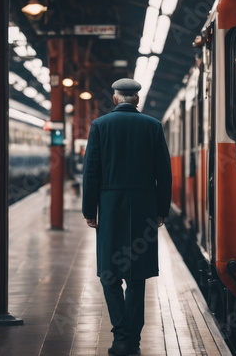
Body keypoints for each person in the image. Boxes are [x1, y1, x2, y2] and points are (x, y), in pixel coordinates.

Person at [82, 78, 172, 356]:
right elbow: (164, 174)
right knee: (137, 276)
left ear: (115, 97)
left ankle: (121, 337)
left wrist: (89, 210)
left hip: (111, 206)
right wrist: (161, 210)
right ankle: (132, 339)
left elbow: (91, 172)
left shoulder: (100, 126)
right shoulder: (153, 126)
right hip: (144, 205)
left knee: (109, 273)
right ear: (137, 99)